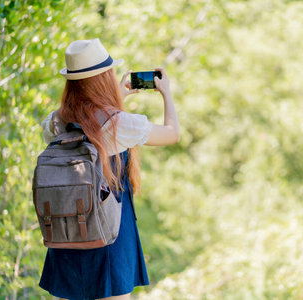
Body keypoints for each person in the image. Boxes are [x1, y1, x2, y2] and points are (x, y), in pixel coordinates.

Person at [38, 38, 180, 300]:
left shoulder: (52, 123)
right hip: (109, 236)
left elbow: (86, 123)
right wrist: (166, 92)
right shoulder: (119, 124)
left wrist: (116, 99)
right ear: (105, 78)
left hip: (67, 236)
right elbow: (172, 134)